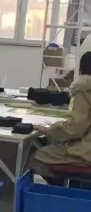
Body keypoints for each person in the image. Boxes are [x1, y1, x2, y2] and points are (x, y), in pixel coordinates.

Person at [31, 51, 91, 183]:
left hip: (86, 153)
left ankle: (61, 191)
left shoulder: (85, 88)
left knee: (36, 156)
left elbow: (75, 128)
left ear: (81, 70)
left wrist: (50, 130)